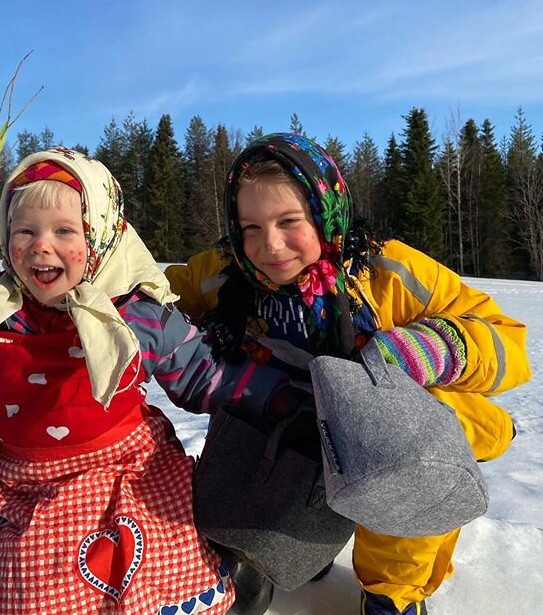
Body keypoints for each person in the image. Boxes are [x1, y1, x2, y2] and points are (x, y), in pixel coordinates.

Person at [0, 147, 296, 615]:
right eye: (24, 231)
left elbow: (203, 371)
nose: (40, 246)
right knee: (31, 592)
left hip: (130, 474)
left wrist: (276, 396)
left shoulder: (131, 318)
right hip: (32, 494)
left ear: (100, 238)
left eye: (64, 231)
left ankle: (230, 585)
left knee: (166, 559)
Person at [163, 132, 531, 615]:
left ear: (325, 211)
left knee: (404, 490)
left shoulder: (386, 272)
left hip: (380, 435)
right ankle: (272, 555)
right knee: (237, 484)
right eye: (249, 227)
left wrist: (434, 346)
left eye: (289, 221)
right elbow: (153, 296)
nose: (268, 246)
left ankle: (389, 597)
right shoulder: (222, 273)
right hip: (281, 427)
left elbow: (506, 339)